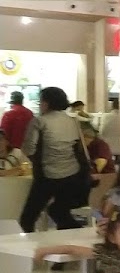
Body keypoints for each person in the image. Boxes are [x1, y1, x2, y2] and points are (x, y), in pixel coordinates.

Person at [19, 86, 90, 232]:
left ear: (46, 103)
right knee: (59, 211)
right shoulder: (73, 120)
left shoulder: (39, 121)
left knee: (28, 218)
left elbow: (28, 149)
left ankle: (30, 244)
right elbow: (80, 147)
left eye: (40, 101)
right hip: (72, 174)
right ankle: (76, 236)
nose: (40, 105)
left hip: (47, 176)